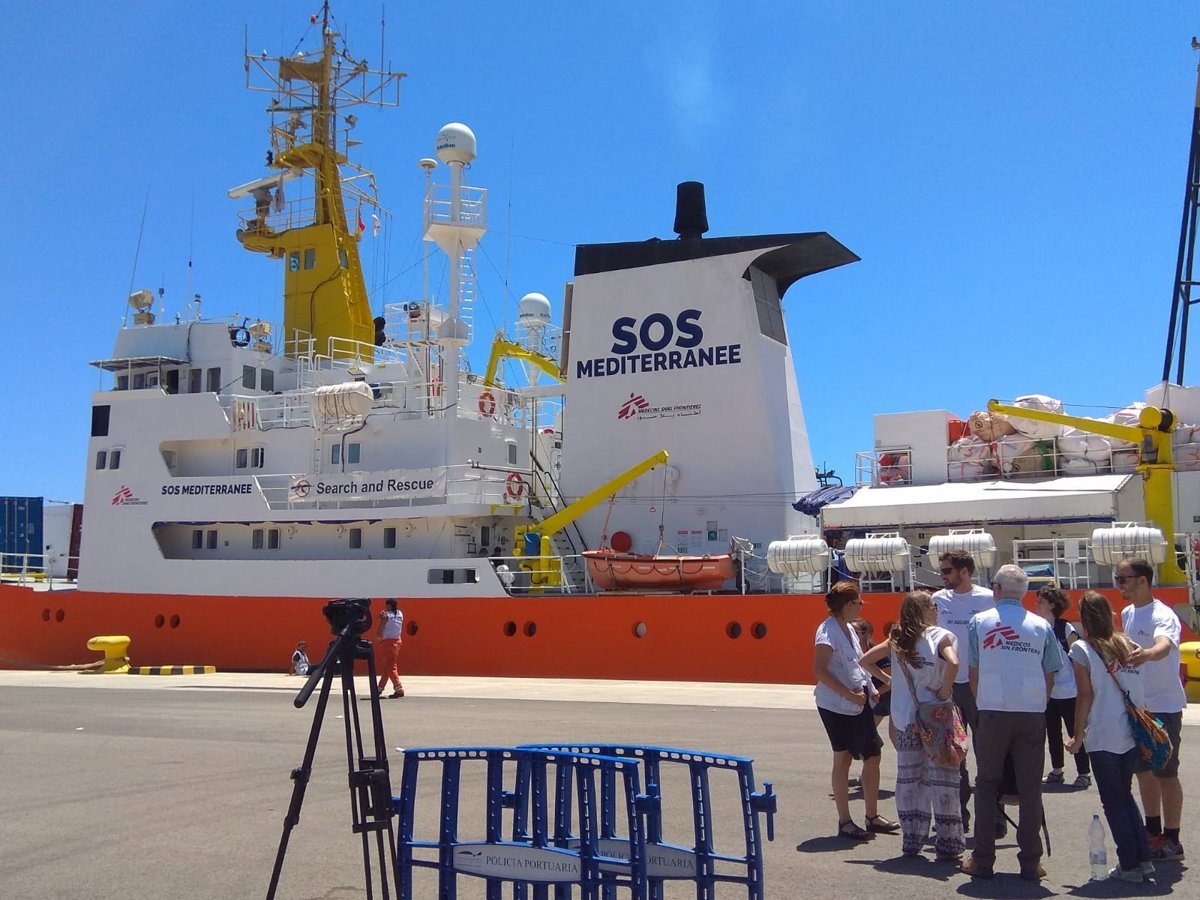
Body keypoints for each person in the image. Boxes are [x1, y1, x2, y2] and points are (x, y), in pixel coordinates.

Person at [961, 564, 1061, 882]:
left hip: (993, 709)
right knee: (1031, 787)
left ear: (997, 589)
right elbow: (1050, 672)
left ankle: (983, 859)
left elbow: (973, 673)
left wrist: (983, 702)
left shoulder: (980, 622)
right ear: (1024, 593)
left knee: (987, 783)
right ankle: (1031, 862)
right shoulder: (1041, 626)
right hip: (1031, 712)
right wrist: (1038, 703)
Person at [860, 591, 965, 861]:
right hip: (936, 718)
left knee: (910, 778)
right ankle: (949, 842)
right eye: (933, 606)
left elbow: (865, 660)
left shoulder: (897, 638)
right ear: (924, 610)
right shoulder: (940, 636)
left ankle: (912, 839)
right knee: (943, 778)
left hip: (906, 718)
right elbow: (953, 662)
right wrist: (945, 689)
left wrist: (889, 680)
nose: (936, 609)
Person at [1064, 590, 1155, 882]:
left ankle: (1129, 864)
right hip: (1131, 730)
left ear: (1084, 617)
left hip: (1103, 732)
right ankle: (1143, 858)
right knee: (1125, 795)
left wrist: (1077, 735)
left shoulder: (1082, 649)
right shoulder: (1128, 644)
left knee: (1113, 800)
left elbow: (1085, 695)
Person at [813, 580, 899, 840]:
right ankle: (845, 821)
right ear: (847, 604)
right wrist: (849, 694)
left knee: (873, 754)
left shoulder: (850, 629)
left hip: (858, 702)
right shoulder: (826, 632)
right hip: (836, 705)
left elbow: (857, 663)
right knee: (843, 758)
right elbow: (820, 671)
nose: (862, 605)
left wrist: (871, 687)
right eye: (858, 602)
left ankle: (872, 816)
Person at [1116, 557, 1187, 861]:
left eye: (1123, 579)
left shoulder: (1163, 614)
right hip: (1138, 707)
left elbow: (1164, 645)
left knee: (1165, 773)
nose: (1119, 585)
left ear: (1143, 580)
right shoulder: (1128, 613)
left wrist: (1148, 654)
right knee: (1144, 772)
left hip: (1164, 707)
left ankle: (1173, 839)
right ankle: (1153, 832)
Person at [931, 549, 995, 830]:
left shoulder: (988, 599)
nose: (942, 576)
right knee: (953, 754)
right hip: (948, 686)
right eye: (942, 571)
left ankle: (993, 817)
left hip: (980, 686)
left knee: (987, 752)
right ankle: (958, 816)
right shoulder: (937, 600)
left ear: (965, 572)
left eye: (947, 571)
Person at [1035, 585, 1091, 788]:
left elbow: (1078, 657)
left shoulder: (1065, 628)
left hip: (1069, 690)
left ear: (1052, 605)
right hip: (1048, 691)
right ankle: (1057, 770)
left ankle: (1084, 772)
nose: (1037, 604)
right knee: (1052, 733)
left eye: (1041, 601)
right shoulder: (1037, 627)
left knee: (1075, 731)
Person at [375, 598, 405, 698]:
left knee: (390, 667)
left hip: (388, 643)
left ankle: (398, 688)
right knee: (387, 667)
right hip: (397, 642)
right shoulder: (400, 614)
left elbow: (382, 626)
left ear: (389, 606)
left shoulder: (387, 615)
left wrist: (378, 633)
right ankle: (379, 688)